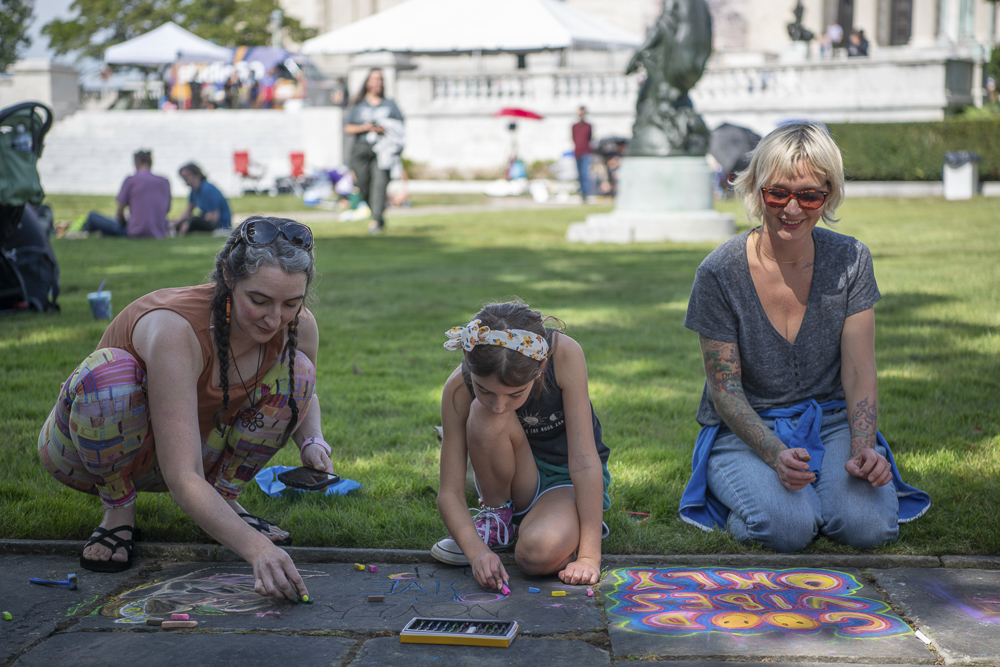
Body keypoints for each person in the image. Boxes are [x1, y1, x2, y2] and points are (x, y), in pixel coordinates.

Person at [37, 217, 332, 600]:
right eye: (258, 301)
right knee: (111, 373)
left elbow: (302, 393)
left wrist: (313, 442)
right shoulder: (176, 330)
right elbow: (182, 476)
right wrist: (257, 549)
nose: (274, 319)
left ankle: (225, 497)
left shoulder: (298, 326)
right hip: (88, 453)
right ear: (227, 276)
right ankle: (118, 508)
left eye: (291, 303)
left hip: (188, 449)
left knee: (300, 369)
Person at [678, 122, 930, 553]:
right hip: (745, 430)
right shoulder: (720, 272)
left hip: (831, 421)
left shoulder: (851, 258)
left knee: (867, 528)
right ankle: (759, 504)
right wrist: (775, 453)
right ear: (756, 190)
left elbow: (858, 368)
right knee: (788, 529)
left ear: (828, 195)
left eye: (810, 195)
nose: (792, 208)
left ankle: (815, 497)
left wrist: (863, 447)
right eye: (778, 193)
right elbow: (725, 391)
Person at [431, 302, 611, 590]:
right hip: (517, 479)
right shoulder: (458, 388)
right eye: (485, 390)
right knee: (484, 415)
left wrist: (589, 557)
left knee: (535, 555)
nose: (499, 404)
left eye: (515, 394)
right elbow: (449, 492)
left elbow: (585, 460)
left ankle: (568, 523)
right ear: (466, 358)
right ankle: (498, 519)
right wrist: (477, 554)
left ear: (541, 366)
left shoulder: (564, 355)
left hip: (565, 479)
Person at [344, 69, 404, 234]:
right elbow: (348, 128)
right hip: (361, 147)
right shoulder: (358, 104)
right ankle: (378, 215)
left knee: (379, 184)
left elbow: (400, 127)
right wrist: (365, 127)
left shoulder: (390, 104)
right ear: (367, 83)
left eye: (380, 79)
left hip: (382, 149)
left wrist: (385, 127)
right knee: (363, 184)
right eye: (374, 79)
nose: (377, 82)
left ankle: (376, 220)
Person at [82, 150, 171, 238]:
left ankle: (82, 234)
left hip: (134, 232)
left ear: (137, 162)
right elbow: (166, 210)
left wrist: (125, 222)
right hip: (159, 232)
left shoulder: (131, 180)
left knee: (92, 216)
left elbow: (119, 213)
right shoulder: (164, 182)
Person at [169, 163, 232, 236]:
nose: (185, 179)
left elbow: (214, 217)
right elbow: (188, 210)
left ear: (197, 175)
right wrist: (176, 223)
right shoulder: (194, 191)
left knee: (194, 221)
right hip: (207, 220)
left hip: (221, 226)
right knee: (185, 222)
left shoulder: (207, 189)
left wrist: (189, 223)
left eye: (188, 176)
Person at [572, 106, 593, 202]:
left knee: (585, 173)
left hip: (585, 152)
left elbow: (590, 138)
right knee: (579, 174)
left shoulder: (588, 126)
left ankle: (585, 193)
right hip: (577, 152)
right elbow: (573, 138)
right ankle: (581, 191)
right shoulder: (574, 127)